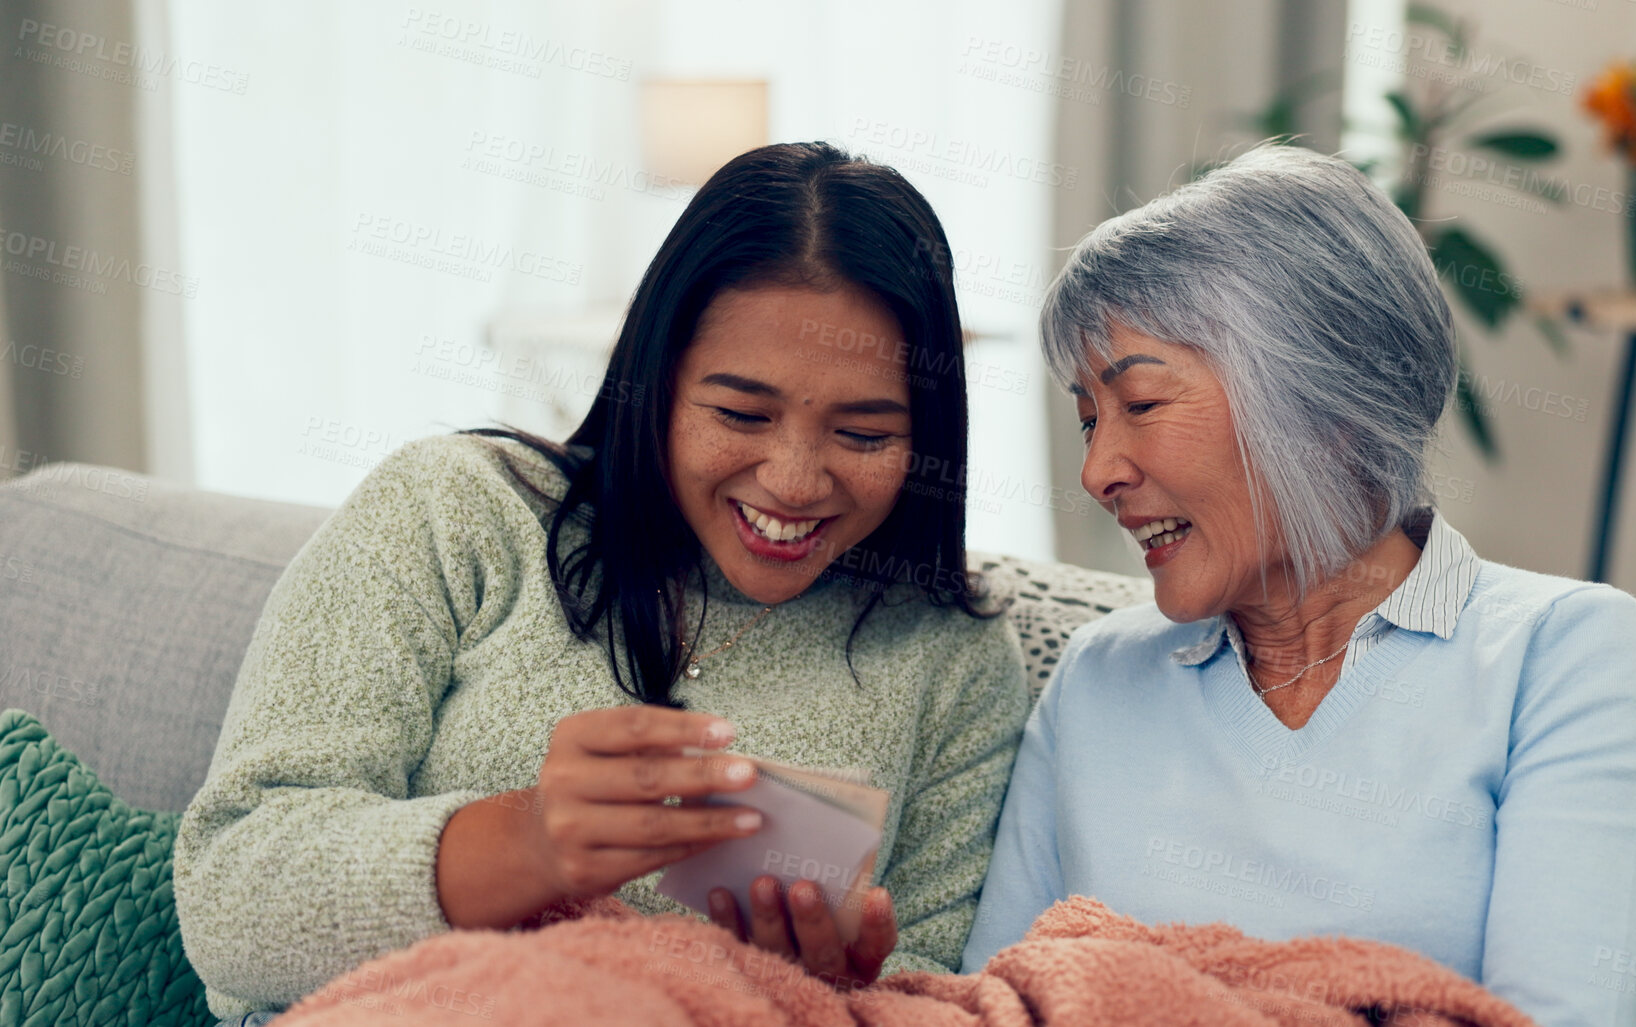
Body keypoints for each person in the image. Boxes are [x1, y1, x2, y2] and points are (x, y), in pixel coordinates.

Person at [174, 142, 1030, 1024]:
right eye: (740, 413)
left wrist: (825, 986)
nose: (795, 480)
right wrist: (529, 842)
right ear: (651, 382)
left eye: (862, 434)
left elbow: (931, 991)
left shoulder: (951, 654)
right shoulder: (458, 512)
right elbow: (230, 893)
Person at [960, 144, 1636, 1027]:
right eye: (1088, 418)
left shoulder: (1560, 654)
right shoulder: (1097, 677)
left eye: (1141, 405)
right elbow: (990, 1005)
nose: (1097, 469)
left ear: (1330, 408)